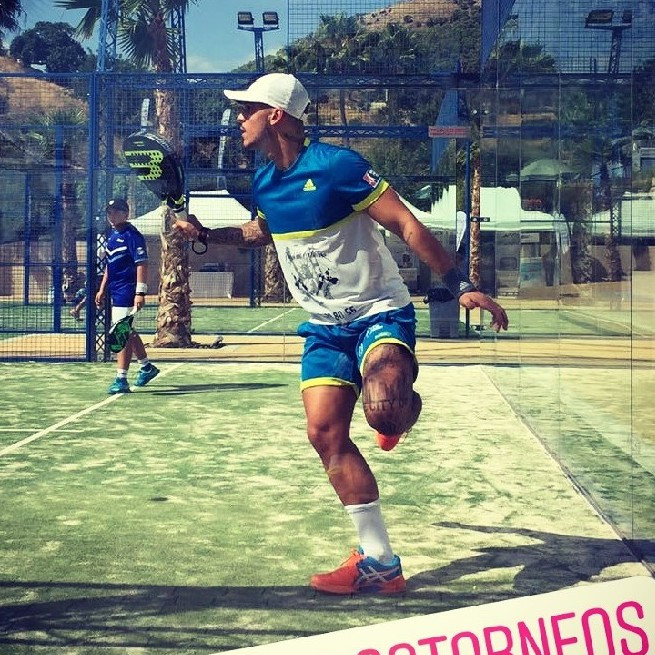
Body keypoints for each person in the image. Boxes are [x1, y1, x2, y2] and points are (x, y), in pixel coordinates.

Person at [174, 73, 509, 595]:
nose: (238, 119)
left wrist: (460, 284)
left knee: (383, 408)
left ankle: (397, 408)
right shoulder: (265, 180)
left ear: (276, 115)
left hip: (379, 313)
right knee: (324, 435)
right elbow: (262, 230)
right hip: (324, 330)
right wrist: (206, 233)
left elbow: (406, 224)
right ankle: (380, 562)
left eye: (247, 109)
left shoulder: (339, 167)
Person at [95, 198, 160, 394]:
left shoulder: (133, 236)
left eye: (116, 211)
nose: (112, 215)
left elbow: (142, 264)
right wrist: (102, 288)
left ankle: (121, 378)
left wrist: (140, 292)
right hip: (116, 291)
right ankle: (146, 367)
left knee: (120, 333)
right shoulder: (113, 235)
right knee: (128, 331)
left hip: (128, 291)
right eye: (109, 212)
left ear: (126, 214)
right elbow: (110, 265)